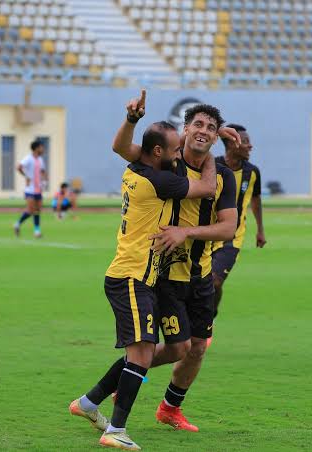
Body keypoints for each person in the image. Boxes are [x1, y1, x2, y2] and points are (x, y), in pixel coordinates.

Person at [69, 90, 218, 451]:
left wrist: (131, 120)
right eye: (175, 149)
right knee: (141, 354)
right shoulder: (160, 181)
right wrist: (211, 152)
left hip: (137, 277)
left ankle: (89, 403)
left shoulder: (139, 168)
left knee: (147, 352)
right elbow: (208, 187)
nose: (179, 153)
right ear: (159, 152)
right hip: (132, 277)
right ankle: (115, 430)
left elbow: (121, 146)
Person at [111, 93, 239, 432]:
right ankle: (122, 380)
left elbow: (228, 227)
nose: (204, 131)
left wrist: (187, 232)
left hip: (200, 275)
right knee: (177, 347)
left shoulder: (223, 176)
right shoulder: (166, 162)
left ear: (216, 136)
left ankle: (169, 408)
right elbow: (123, 149)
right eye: (198, 124)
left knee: (197, 349)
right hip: (164, 275)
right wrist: (132, 119)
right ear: (185, 129)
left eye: (211, 128)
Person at [211, 123, 266, 318]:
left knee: (215, 281)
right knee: (199, 283)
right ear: (232, 144)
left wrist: (260, 230)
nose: (250, 146)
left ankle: (210, 317)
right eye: (246, 141)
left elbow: (256, 200)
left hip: (232, 238)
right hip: (206, 234)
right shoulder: (212, 166)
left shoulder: (252, 172)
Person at [14, 140, 47, 238]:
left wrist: (44, 181)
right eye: (41, 147)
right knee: (30, 210)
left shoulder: (40, 159)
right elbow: (19, 167)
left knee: (38, 210)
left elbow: (43, 171)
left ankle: (37, 231)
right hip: (30, 189)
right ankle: (17, 224)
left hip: (38, 188)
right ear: (36, 148)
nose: (43, 149)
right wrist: (26, 176)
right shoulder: (28, 158)